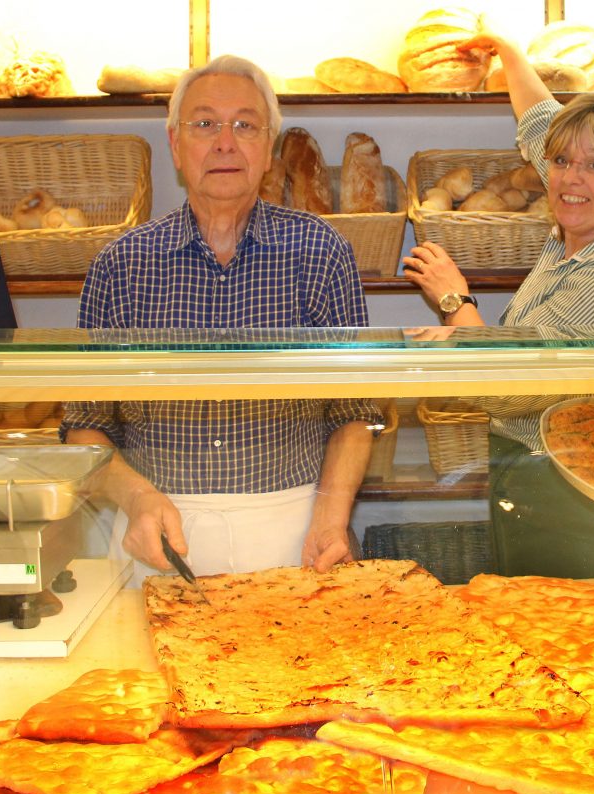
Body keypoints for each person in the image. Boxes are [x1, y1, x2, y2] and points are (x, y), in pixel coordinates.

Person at [61, 55, 380, 584]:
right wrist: (136, 496)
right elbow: (84, 426)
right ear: (175, 145)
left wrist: (331, 516)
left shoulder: (321, 250)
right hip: (155, 539)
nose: (225, 142)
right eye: (204, 123)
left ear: (270, 149)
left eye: (245, 125)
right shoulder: (120, 263)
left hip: (295, 532)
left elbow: (356, 410)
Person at [403, 32, 594, 579]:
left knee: (560, 637)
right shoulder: (586, 227)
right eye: (563, 161)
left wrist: (455, 301)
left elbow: (512, 388)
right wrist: (506, 53)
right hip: (535, 470)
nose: (570, 178)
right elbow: (538, 122)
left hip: (572, 489)